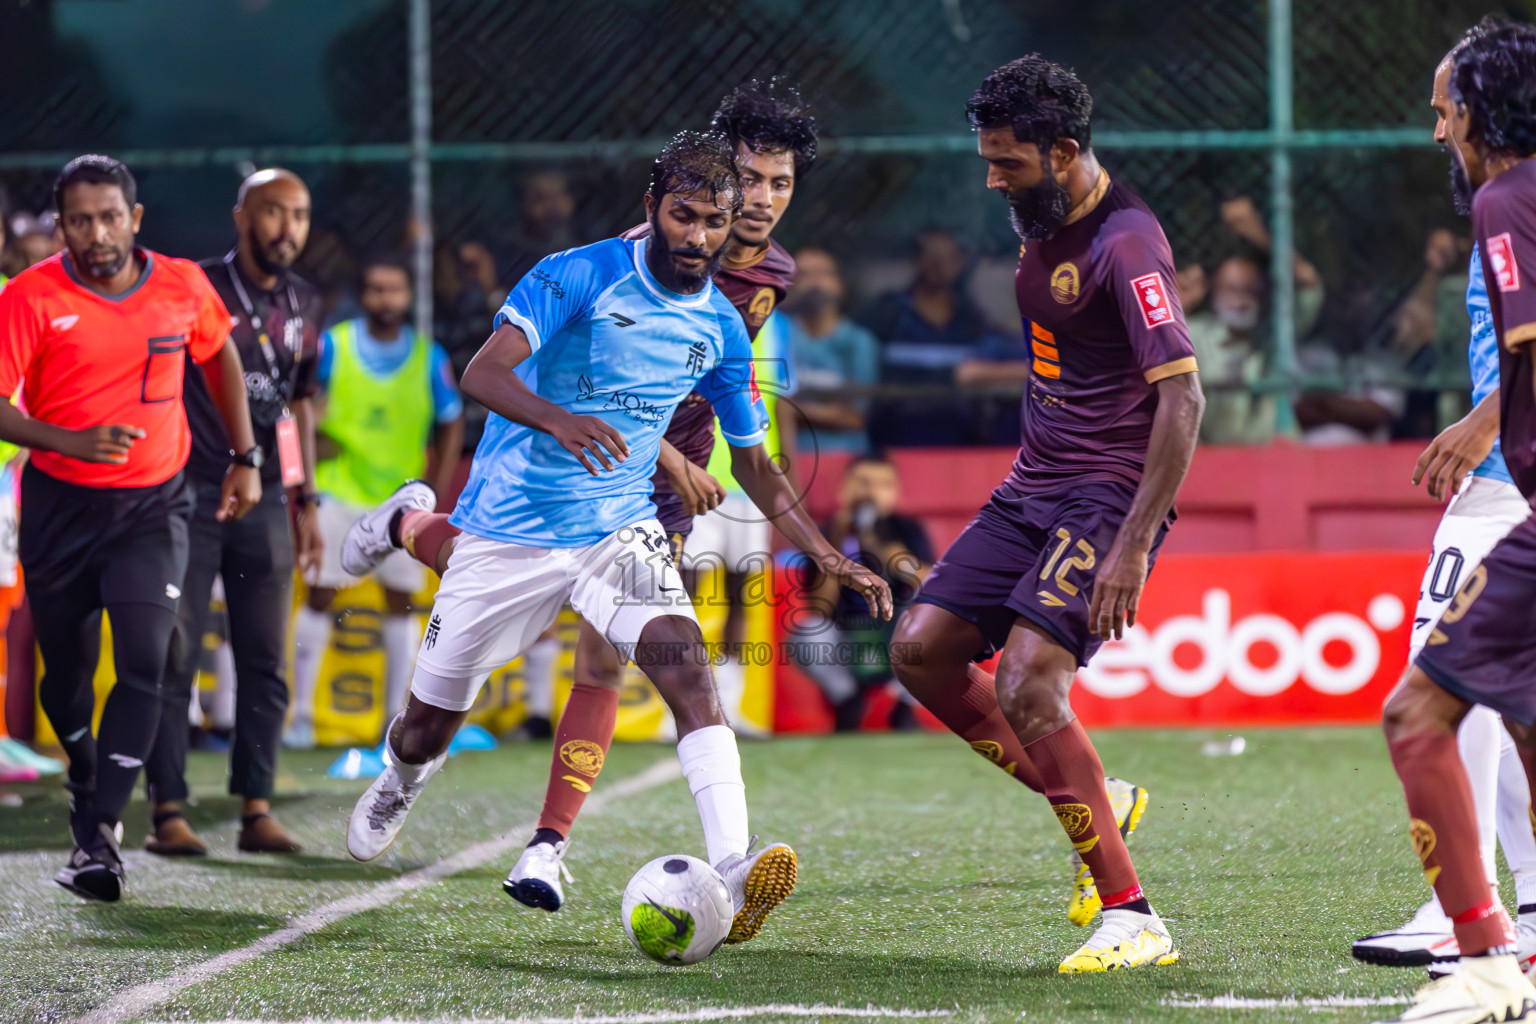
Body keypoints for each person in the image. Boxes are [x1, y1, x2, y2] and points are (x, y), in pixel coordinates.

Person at [337, 131, 891, 949]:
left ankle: (733, 865)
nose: (697, 237)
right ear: (652, 208)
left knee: (688, 672)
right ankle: (402, 773)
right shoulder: (578, 273)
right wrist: (562, 420)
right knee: (426, 724)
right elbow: (481, 374)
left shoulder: (722, 329)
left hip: (617, 530)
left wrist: (827, 551)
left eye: (713, 222)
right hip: (508, 529)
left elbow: (758, 464)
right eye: (683, 216)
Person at [891, 56, 1205, 973]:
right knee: (921, 650)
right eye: (987, 160)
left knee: (1031, 681)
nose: (993, 179)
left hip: (1107, 494)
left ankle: (1133, 913)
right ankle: (1106, 795)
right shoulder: (1039, 224)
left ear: (1065, 152)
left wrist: (1133, 545)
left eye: (1010, 164)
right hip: (1034, 485)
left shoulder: (1127, 242)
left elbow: (1183, 401)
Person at [0, 155, 261, 901]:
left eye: (110, 216)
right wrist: (64, 439)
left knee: (149, 657)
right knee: (69, 680)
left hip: (154, 505)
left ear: (135, 219)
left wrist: (245, 457)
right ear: (61, 227)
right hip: (61, 505)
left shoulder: (181, 284)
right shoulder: (30, 296)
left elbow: (221, 357)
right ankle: (84, 774)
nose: (97, 232)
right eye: (80, 220)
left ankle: (102, 836)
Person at [1352, 31, 1536, 976]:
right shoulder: (1503, 201)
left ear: (1480, 110)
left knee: (1447, 686)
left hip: (1507, 479)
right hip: (1504, 473)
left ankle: (1460, 909)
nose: (1434, 131)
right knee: (1496, 699)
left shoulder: (1514, 198)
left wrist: (1483, 421)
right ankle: (1505, 910)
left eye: (1442, 110)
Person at [140, 169, 326, 857]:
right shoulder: (197, 286)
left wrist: (304, 497)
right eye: (274, 212)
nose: (288, 228)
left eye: (300, 215)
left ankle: (256, 807)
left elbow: (297, 403)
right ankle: (168, 810)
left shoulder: (309, 299)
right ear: (242, 217)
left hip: (269, 496)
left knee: (264, 658)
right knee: (174, 651)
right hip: (187, 489)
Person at [286, 254, 464, 749]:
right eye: (377, 289)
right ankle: (300, 719)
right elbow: (295, 407)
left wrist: (437, 484)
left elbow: (452, 420)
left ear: (408, 296)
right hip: (337, 492)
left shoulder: (430, 357)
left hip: (402, 502)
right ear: (362, 297)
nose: (386, 299)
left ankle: (394, 720)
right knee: (320, 595)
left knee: (401, 607)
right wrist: (304, 465)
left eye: (395, 290)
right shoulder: (332, 347)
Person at [786, 455, 932, 730]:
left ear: (895, 491)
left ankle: (905, 707)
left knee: (934, 630)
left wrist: (884, 548)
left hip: (895, 635)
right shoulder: (826, 533)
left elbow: (928, 583)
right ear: (845, 487)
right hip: (846, 634)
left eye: (883, 484)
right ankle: (847, 699)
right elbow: (819, 609)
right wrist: (835, 551)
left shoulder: (906, 528)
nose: (872, 492)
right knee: (808, 636)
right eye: (864, 483)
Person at [860, 228, 992, 447]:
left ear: (961, 262)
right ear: (916, 260)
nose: (939, 265)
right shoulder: (888, 313)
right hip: (894, 439)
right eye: (931, 255)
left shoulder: (972, 320)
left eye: (948, 257)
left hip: (962, 443)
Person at [785, 247, 879, 453]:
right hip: (782, 459)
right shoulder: (774, 334)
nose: (814, 283)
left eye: (822, 273)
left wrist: (789, 410)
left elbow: (855, 418)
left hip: (843, 458)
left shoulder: (858, 342)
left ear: (840, 284)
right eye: (803, 275)